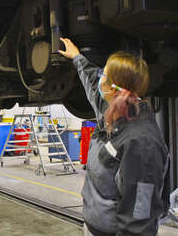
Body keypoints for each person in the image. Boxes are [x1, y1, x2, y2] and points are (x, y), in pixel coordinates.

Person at [59, 38, 170, 236]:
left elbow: (140, 218)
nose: (100, 77)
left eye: (105, 75)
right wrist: (76, 57)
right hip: (94, 227)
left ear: (113, 88)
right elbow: (92, 81)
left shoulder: (141, 144)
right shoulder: (111, 111)